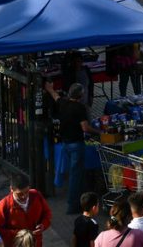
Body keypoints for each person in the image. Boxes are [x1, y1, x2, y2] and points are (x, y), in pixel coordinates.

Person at [44, 82, 100, 215]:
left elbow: (55, 96)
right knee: (76, 175)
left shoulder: (63, 103)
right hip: (76, 144)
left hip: (66, 144)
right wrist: (99, 132)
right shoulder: (79, 108)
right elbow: (85, 128)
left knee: (76, 173)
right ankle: (73, 205)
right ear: (80, 95)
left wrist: (50, 88)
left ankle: (79, 200)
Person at [0, 173, 52, 247]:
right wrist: (20, 234)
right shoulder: (3, 206)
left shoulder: (36, 195)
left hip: (36, 243)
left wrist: (43, 225)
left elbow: (47, 214)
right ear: (11, 189)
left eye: (27, 192)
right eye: (20, 194)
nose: (24, 196)